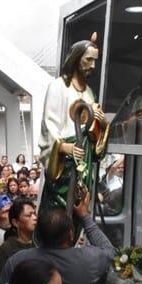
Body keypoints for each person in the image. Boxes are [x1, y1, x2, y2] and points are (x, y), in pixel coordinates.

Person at [38, 32, 109, 240]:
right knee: (58, 210)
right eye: (88, 60)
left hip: (84, 156)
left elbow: (94, 132)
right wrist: (63, 147)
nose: (92, 66)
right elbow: (48, 124)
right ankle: (52, 245)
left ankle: (72, 244)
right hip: (63, 161)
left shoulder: (89, 93)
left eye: (95, 61)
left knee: (80, 204)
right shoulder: (58, 87)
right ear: (76, 58)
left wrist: (102, 124)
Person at [0, 198, 36, 284]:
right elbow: (1, 281)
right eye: (29, 215)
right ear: (15, 222)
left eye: (34, 214)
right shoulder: (8, 248)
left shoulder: (40, 243)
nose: (34, 218)